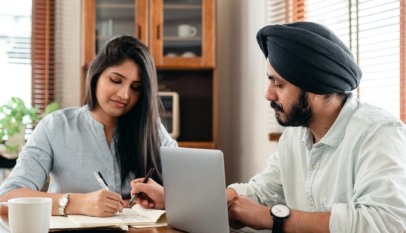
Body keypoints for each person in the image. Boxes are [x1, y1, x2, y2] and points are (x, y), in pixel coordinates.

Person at [131, 22, 406, 233]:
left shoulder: (379, 133)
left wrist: (272, 218)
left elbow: (388, 222)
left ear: (317, 86)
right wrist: (178, 200)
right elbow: (262, 191)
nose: (268, 94)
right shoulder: (295, 135)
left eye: (279, 84)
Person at [0, 35, 177, 217]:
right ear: (96, 75)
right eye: (116, 80)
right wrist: (77, 203)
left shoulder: (152, 130)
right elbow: (7, 198)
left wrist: (168, 199)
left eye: (136, 87)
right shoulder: (55, 127)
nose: (124, 95)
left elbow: (195, 193)